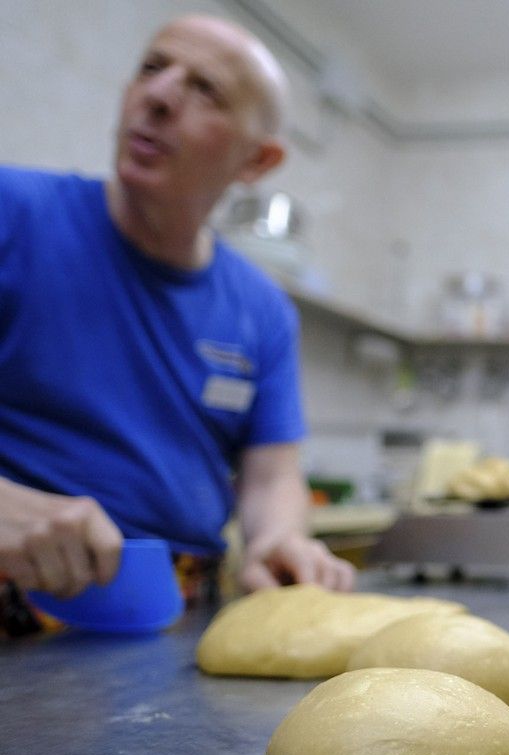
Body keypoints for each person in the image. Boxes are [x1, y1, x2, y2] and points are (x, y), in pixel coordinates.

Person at [0, 14, 354, 635]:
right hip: (18, 607)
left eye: (205, 90)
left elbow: (273, 475)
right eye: (153, 68)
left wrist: (278, 537)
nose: (159, 97)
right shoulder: (14, 215)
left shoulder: (262, 310)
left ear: (258, 159)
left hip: (182, 621)